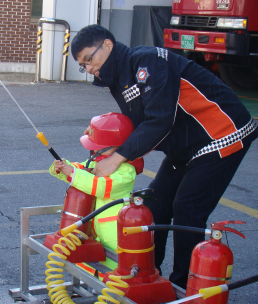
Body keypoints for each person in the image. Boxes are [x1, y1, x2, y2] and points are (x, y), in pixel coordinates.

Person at [70, 24, 258, 289]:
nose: (88, 68)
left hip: (221, 133)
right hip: (186, 145)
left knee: (188, 208)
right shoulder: (118, 78)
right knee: (153, 205)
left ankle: (184, 288)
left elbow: (159, 120)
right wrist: (109, 141)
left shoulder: (146, 61)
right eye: (83, 65)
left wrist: (118, 157)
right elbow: (142, 120)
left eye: (89, 59)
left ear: (108, 45)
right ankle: (147, 277)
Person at [49, 112, 144, 275]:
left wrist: (72, 173)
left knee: (116, 272)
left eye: (99, 147)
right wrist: (61, 167)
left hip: (114, 233)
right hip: (95, 230)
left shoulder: (127, 172)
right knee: (92, 267)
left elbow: (100, 186)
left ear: (118, 147)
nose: (94, 150)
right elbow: (82, 170)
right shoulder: (100, 161)